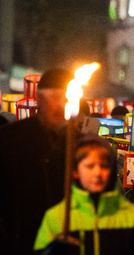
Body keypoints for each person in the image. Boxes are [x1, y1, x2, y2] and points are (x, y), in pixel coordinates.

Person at [34, 133, 134, 254]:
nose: (97, 173)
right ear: (76, 171)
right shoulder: (56, 217)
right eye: (90, 166)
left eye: (104, 166)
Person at [0, 69, 74, 254]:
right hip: (20, 243)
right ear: (39, 99)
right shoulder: (10, 140)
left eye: (67, 98)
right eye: (55, 97)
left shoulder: (80, 146)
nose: (61, 105)